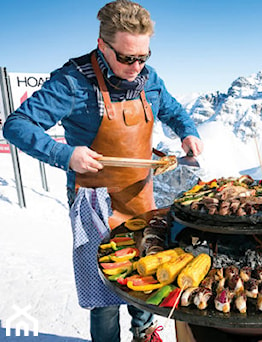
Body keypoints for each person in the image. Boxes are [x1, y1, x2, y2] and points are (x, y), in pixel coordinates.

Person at [3, 1, 203, 341]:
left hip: (140, 192)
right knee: (106, 288)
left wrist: (188, 131)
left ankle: (144, 331)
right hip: (93, 199)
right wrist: (64, 154)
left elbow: (172, 109)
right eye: (127, 58)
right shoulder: (72, 83)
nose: (136, 66)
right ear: (102, 46)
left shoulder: (149, 79)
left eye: (143, 57)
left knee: (148, 268)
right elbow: (16, 125)